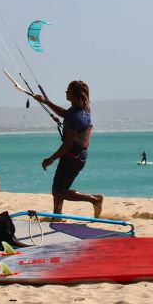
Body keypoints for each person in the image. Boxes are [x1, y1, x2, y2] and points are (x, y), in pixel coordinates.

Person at [35, 80, 104, 218]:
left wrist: (51, 159)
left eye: (68, 91)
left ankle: (95, 200)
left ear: (75, 94)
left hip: (72, 157)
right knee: (60, 189)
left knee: (59, 191)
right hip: (80, 156)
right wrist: (46, 102)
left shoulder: (74, 116)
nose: (66, 92)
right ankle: (57, 216)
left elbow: (67, 145)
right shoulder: (83, 109)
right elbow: (64, 113)